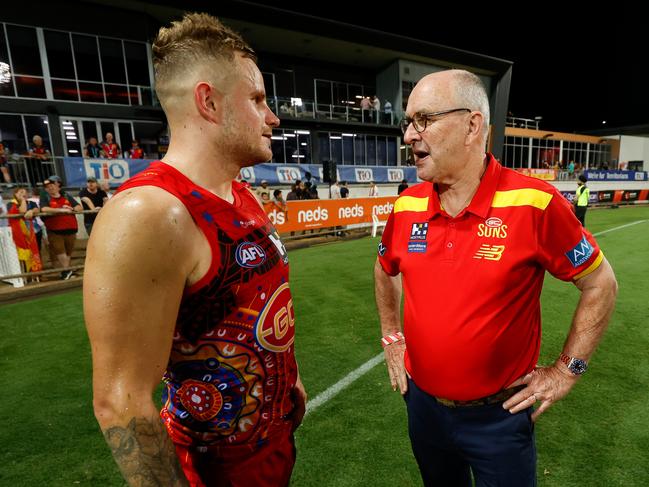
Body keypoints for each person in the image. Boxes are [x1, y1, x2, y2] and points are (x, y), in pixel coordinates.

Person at [84, 13, 306, 487]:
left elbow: (261, 305)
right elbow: (121, 401)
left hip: (271, 453)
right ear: (208, 101)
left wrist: (291, 380)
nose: (273, 117)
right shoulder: (150, 213)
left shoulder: (238, 192)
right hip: (209, 472)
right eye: (258, 99)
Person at [375, 69, 617, 487]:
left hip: (499, 419)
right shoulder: (406, 207)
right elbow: (384, 269)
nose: (410, 136)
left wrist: (567, 369)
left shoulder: (535, 203)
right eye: (408, 121)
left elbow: (601, 283)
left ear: (473, 125)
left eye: (424, 120)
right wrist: (391, 335)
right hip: (424, 409)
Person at [40, 177, 82, 280]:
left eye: (52, 185)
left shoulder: (66, 195)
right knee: (60, 250)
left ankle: (66, 272)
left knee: (68, 251)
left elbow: (79, 207)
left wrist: (71, 208)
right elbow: (44, 208)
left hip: (70, 228)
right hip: (55, 229)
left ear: (57, 186)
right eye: (48, 187)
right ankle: (67, 271)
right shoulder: (45, 197)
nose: (51, 188)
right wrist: (61, 210)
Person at [6, 187, 43, 275]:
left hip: (34, 231)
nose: (23, 194)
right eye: (20, 192)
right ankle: (26, 275)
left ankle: (37, 274)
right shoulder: (11, 204)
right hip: (19, 234)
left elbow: (37, 210)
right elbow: (22, 211)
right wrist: (23, 201)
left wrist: (31, 211)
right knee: (22, 255)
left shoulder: (31, 202)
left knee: (37, 252)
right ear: (15, 194)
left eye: (25, 192)